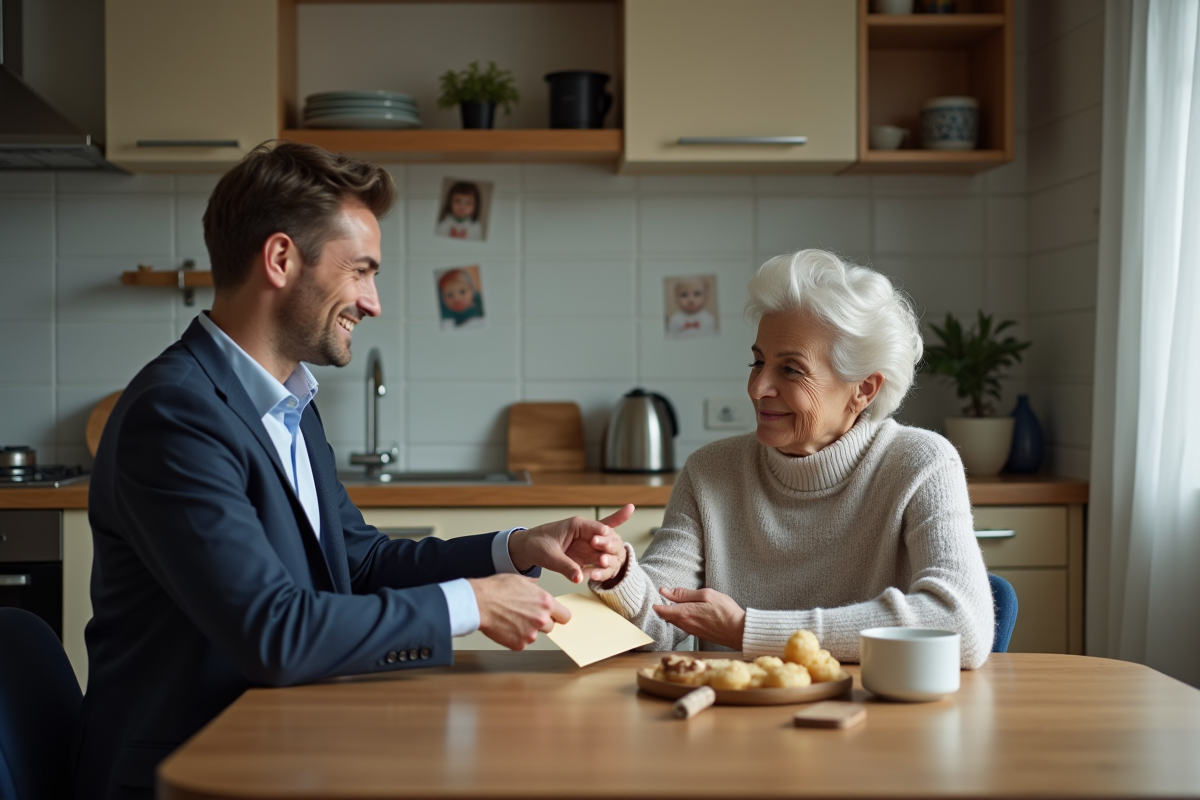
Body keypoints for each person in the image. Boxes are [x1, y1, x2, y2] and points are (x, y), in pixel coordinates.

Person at [74, 142, 628, 800]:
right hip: (189, 771)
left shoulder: (287, 405)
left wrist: (510, 551)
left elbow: (356, 565)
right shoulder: (176, 416)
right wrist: (469, 604)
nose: (373, 302)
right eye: (361, 271)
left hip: (277, 741)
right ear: (281, 260)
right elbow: (272, 632)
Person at [587, 249, 994, 669]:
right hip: (733, 721)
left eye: (791, 370)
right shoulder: (711, 471)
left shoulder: (920, 464)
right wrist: (621, 576)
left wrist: (748, 630)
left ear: (864, 389)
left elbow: (961, 626)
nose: (758, 387)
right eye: (757, 362)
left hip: (870, 717)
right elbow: (659, 625)